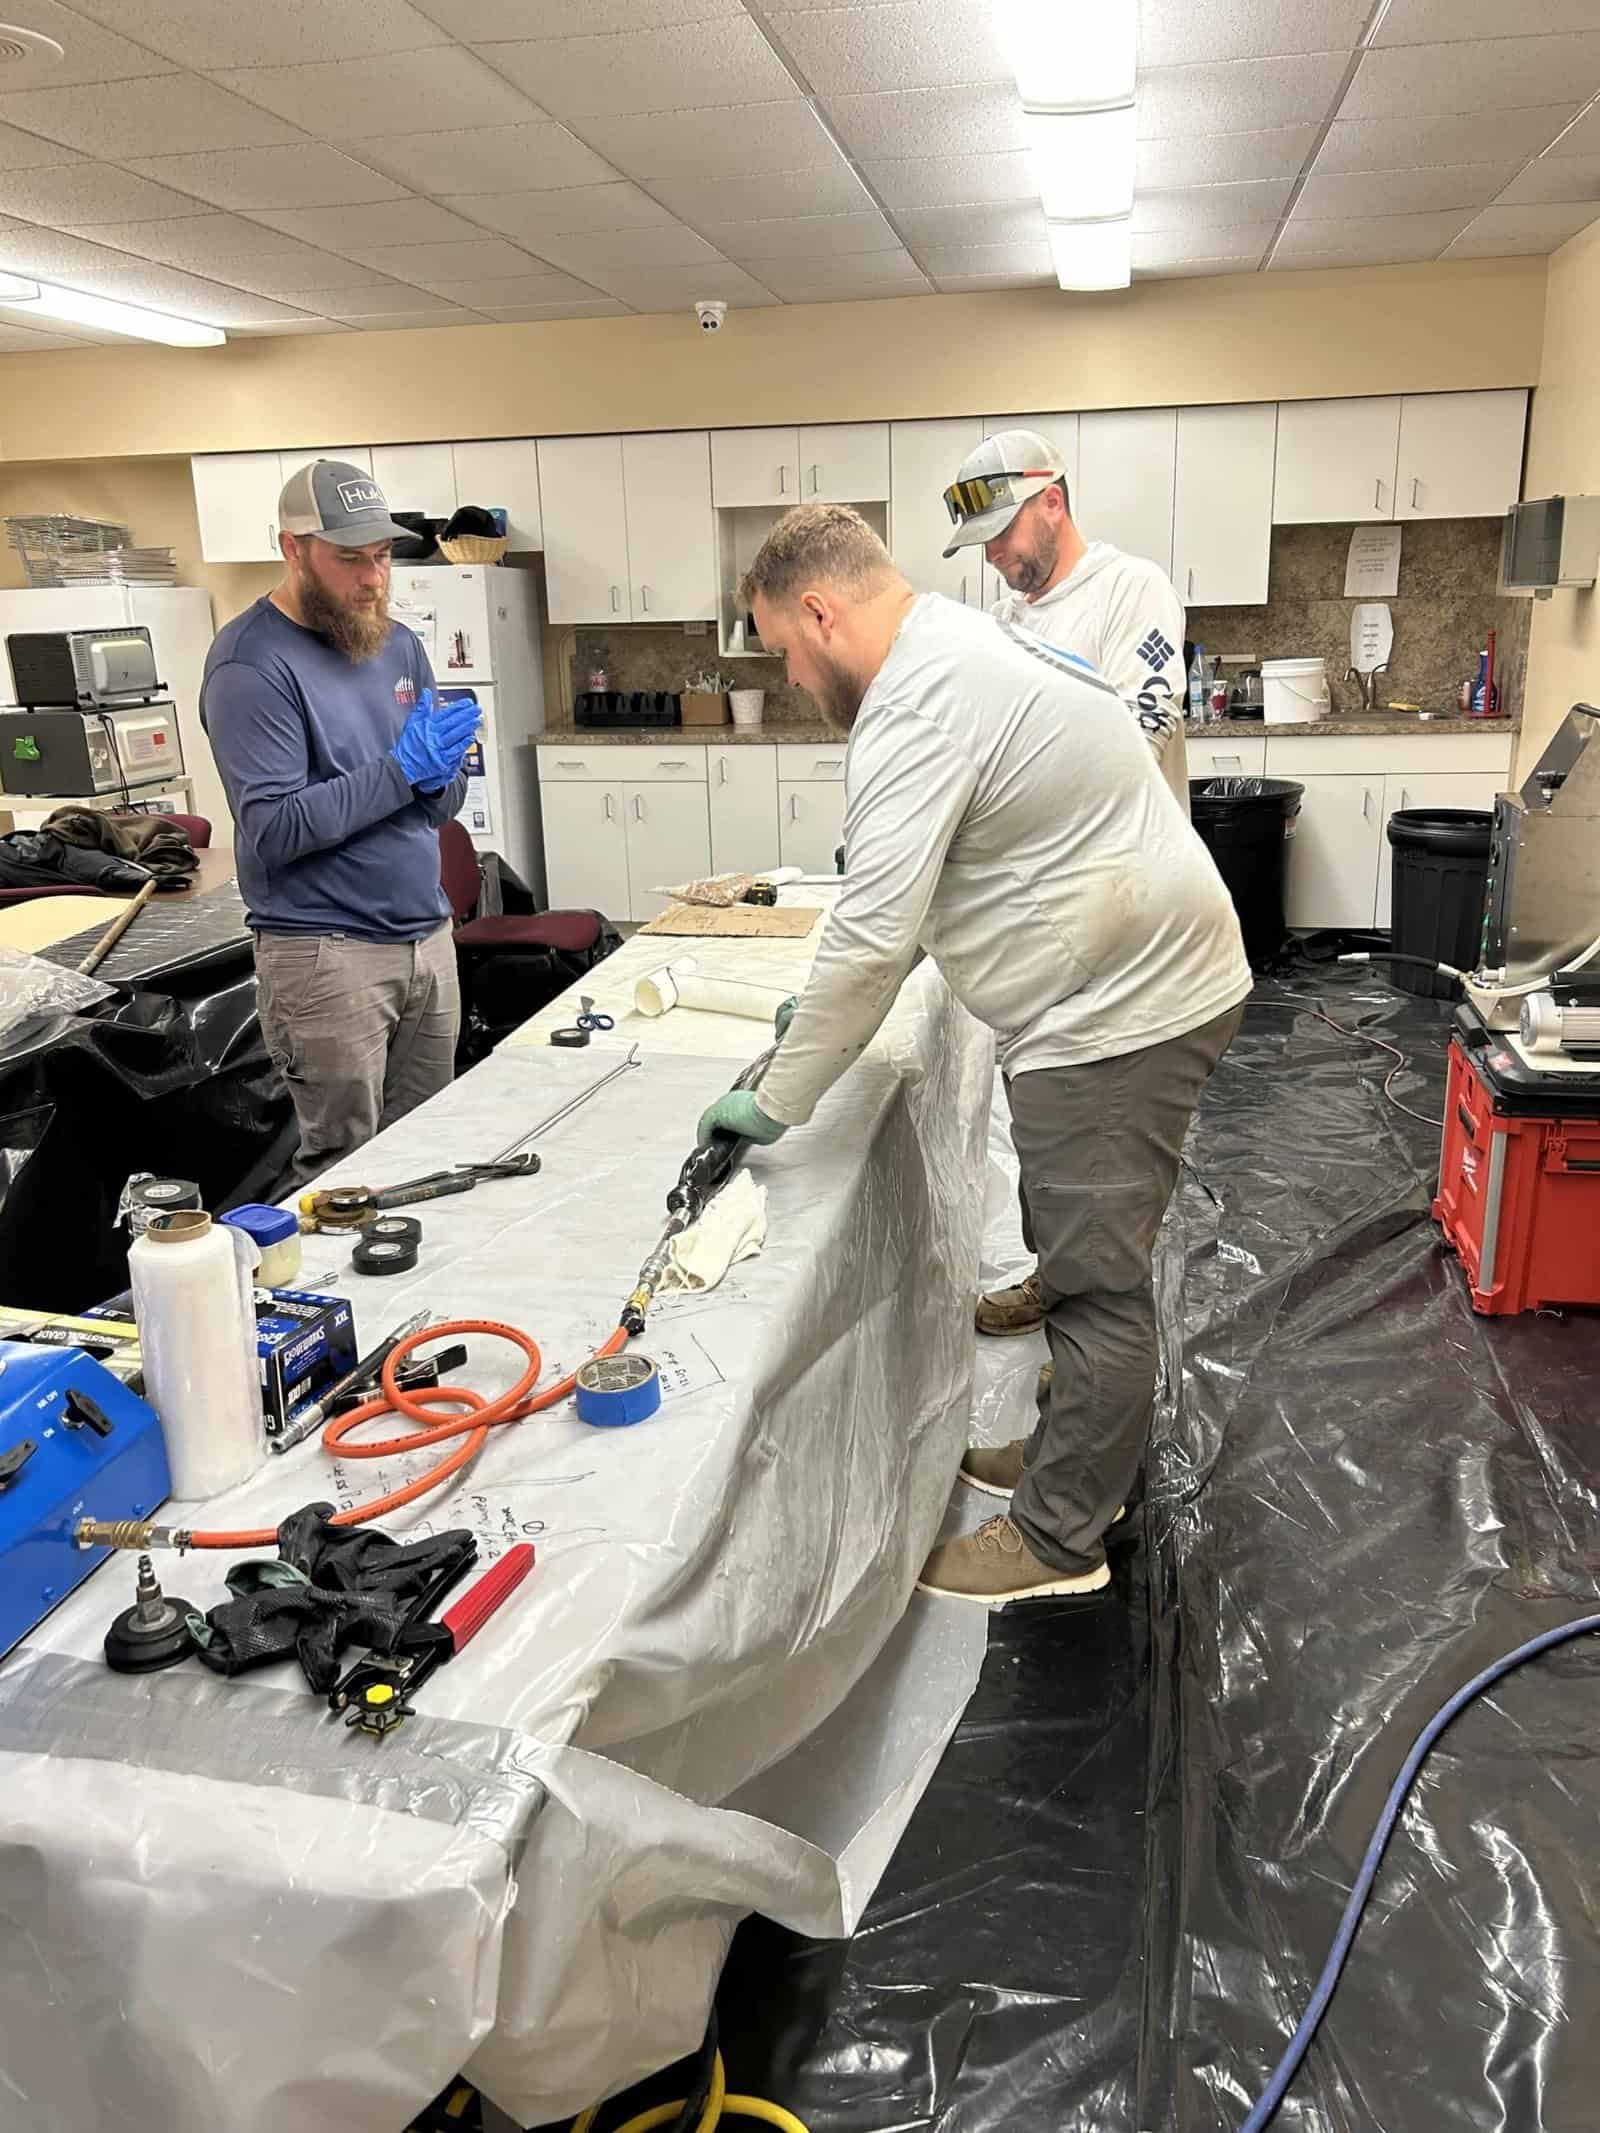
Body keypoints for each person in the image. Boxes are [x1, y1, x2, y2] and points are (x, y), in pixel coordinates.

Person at [698, 505, 1249, 1609]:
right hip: (1125, 978)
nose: (794, 678)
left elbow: (870, 937)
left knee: (1092, 1284)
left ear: (819, 610)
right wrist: (822, 1008)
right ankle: (1078, 1465)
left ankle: (1060, 1537)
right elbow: (928, 892)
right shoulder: (955, 639)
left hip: (1120, 1010)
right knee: (1068, 1246)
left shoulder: (914, 702)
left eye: (782, 650)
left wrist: (778, 1096)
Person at [942, 427, 1193, 1342]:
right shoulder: (1008, 625)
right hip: (1044, 932)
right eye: (985, 545)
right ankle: (1055, 1278)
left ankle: (1087, 1387)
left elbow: (1142, 734)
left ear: (1054, 498)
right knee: (1047, 1138)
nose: (998, 556)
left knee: (1104, 1157)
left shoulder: (1135, 591)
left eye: (1006, 532)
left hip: (1127, 927)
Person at [201, 459, 479, 1186]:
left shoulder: (398, 644)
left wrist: (443, 774)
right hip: (327, 951)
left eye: (382, 555)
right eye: (350, 558)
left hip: (425, 936)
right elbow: (274, 828)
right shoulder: (250, 664)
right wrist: (400, 771)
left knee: (432, 1152)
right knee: (347, 1172)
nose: (374, 579)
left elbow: (434, 810)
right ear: (294, 549)